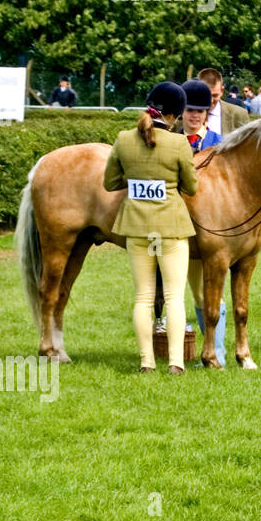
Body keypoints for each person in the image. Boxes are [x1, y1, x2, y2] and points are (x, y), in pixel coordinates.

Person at [103, 82, 198, 374]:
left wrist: (135, 180)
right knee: (173, 297)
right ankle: (175, 362)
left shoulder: (123, 139)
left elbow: (110, 183)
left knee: (143, 297)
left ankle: (146, 362)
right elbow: (192, 187)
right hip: (170, 229)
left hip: (137, 228)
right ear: (174, 115)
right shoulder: (179, 143)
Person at [178, 79, 229, 363]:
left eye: (200, 111)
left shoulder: (219, 143)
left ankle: (216, 352)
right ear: (182, 112)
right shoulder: (172, 141)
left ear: (207, 113)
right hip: (175, 227)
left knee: (204, 292)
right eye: (189, 110)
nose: (195, 115)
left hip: (208, 231)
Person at [196, 68, 249, 136]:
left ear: (222, 91)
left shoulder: (239, 115)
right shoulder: (184, 115)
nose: (210, 101)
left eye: (215, 95)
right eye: (206, 95)